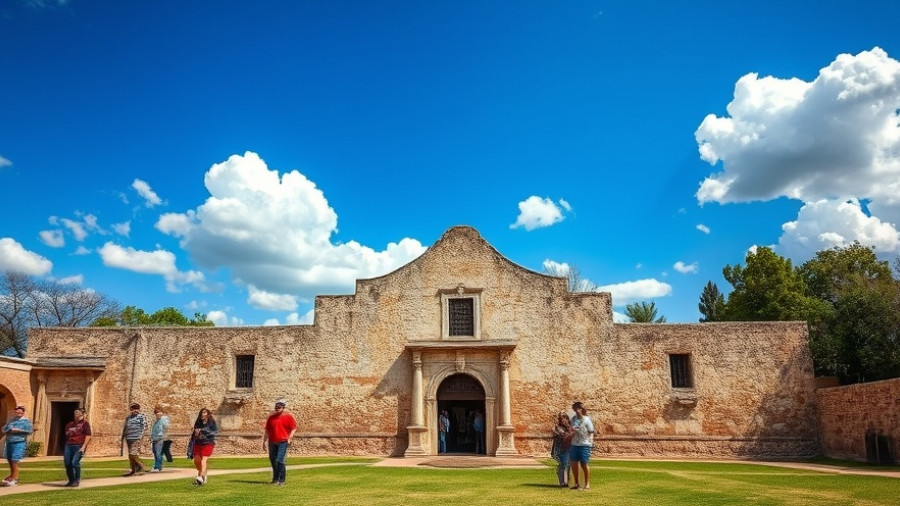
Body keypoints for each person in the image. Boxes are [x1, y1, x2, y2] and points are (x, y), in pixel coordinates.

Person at [262, 399, 298, 486]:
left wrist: (290, 438)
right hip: (272, 442)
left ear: (283, 408)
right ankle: (275, 479)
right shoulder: (271, 418)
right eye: (276, 407)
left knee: (280, 460)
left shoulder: (288, 417)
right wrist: (264, 441)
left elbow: (294, 428)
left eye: (279, 407)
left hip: (283, 442)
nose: (277, 409)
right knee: (273, 460)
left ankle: (282, 480)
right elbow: (267, 430)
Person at [1, 405, 33, 487]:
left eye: (20, 412)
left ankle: (15, 479)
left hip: (19, 442)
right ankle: (11, 476)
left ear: (23, 412)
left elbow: (29, 431)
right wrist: (7, 430)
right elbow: (4, 428)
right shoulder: (11, 420)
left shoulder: (26, 422)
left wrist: (19, 430)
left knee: (14, 460)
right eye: (16, 412)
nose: (18, 413)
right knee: (10, 459)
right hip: (9, 441)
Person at [568, 401, 595, 491]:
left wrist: (590, 441)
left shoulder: (587, 419)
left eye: (579, 408)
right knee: (574, 464)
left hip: (584, 444)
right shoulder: (573, 419)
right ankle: (576, 483)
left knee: (584, 464)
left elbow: (591, 431)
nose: (577, 410)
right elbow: (570, 431)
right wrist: (572, 432)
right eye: (576, 408)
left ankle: (587, 484)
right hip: (574, 444)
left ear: (582, 409)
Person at [63, 408, 92, 487]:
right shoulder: (69, 424)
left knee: (75, 462)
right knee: (67, 463)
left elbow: (88, 435)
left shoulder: (85, 424)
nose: (75, 413)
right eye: (75, 412)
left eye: (77, 412)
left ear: (82, 414)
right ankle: (71, 480)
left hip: (79, 445)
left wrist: (83, 446)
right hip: (69, 445)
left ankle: (77, 480)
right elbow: (66, 435)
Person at [191, 407, 217, 486]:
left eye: (205, 412)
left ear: (208, 414)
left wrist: (202, 431)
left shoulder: (211, 422)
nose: (203, 414)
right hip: (198, 443)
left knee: (203, 461)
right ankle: (204, 474)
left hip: (208, 443)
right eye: (202, 412)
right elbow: (194, 432)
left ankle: (200, 477)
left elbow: (214, 432)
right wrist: (195, 433)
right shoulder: (198, 422)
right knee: (196, 461)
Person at [121, 403, 148, 476]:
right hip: (129, 437)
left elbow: (144, 427)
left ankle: (141, 465)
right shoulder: (128, 418)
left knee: (132, 453)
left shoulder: (141, 417)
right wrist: (123, 436)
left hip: (136, 437)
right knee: (131, 455)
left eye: (136, 409)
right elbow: (125, 427)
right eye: (133, 409)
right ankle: (133, 470)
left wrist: (141, 436)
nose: (134, 411)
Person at [551, 411, 573, 487]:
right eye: (561, 419)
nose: (564, 420)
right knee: (564, 464)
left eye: (565, 418)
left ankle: (565, 481)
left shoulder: (570, 427)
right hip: (561, 449)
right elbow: (563, 436)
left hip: (569, 448)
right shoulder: (557, 428)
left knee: (567, 465)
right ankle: (563, 482)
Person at [150, 406, 171, 472]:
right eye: (156, 413)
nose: (157, 414)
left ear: (162, 413)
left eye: (159, 412)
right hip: (155, 438)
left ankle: (158, 467)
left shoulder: (164, 419)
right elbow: (154, 430)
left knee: (158, 453)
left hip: (160, 438)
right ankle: (156, 466)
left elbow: (167, 427)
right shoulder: (156, 420)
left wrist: (164, 435)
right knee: (155, 453)